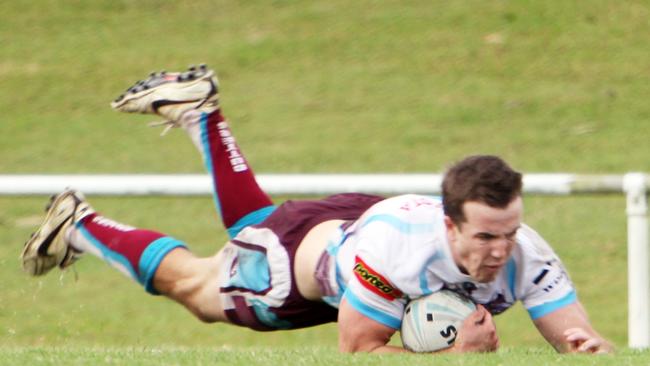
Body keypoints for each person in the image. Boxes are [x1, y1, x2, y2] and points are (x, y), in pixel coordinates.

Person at [21, 65, 612, 354]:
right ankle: (81, 224)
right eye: (485, 237)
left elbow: (580, 340)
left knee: (252, 227)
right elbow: (359, 350)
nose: (500, 250)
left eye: (508, 232)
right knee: (200, 291)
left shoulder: (524, 250)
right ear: (449, 221)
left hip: (346, 227)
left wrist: (590, 351)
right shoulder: (400, 253)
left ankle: (202, 114)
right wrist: (454, 357)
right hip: (297, 271)